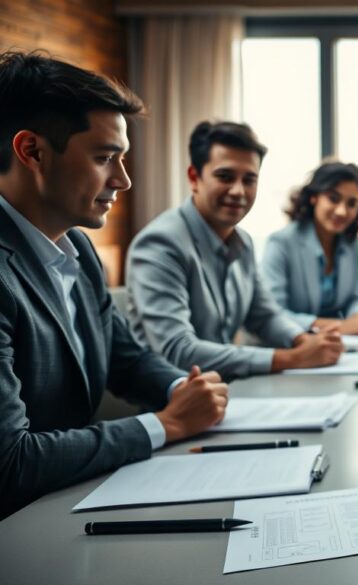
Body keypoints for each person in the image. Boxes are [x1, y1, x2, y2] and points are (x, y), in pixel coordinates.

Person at [0, 51, 228, 518]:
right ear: (32, 151)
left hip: (65, 503)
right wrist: (164, 425)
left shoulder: (79, 250)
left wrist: (181, 390)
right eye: (106, 158)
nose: (123, 180)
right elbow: (10, 463)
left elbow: (124, 359)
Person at [126, 121, 344, 380]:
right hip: (176, 405)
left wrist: (302, 340)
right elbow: (179, 351)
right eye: (225, 177)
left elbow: (264, 316)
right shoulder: (160, 244)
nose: (239, 191)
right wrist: (292, 358)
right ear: (194, 178)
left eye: (249, 180)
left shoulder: (244, 242)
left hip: (232, 393)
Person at [262, 161, 358, 334]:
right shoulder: (281, 242)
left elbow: (357, 297)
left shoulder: (351, 244)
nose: (342, 211)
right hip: (290, 344)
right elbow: (271, 314)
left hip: (340, 345)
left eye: (352, 203)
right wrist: (338, 326)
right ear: (314, 197)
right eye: (333, 198)